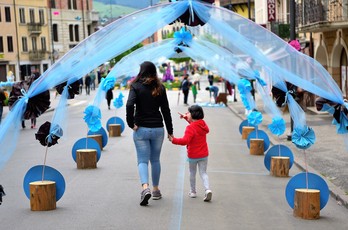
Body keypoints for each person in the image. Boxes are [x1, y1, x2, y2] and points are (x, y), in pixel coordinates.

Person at [126, 61, 173, 206]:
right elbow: (166, 110)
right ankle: (156, 190)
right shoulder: (160, 87)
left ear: (141, 71)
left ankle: (145, 188)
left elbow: (129, 104)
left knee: (142, 160)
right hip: (158, 129)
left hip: (141, 129)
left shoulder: (135, 86)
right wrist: (170, 131)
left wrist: (130, 122)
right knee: (155, 160)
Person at [169, 105, 212, 201]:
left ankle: (193, 192)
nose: (186, 114)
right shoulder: (203, 124)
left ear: (192, 115)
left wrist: (173, 140)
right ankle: (207, 189)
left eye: (188, 113)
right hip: (204, 154)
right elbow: (195, 125)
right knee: (203, 173)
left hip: (193, 155)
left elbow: (185, 141)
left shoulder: (190, 128)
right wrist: (185, 117)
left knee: (192, 173)